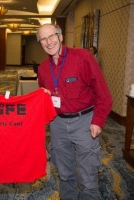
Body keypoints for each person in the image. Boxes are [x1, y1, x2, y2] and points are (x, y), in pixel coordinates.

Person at [36, 24, 112, 200]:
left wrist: (97, 121)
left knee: (88, 176)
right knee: (65, 174)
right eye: (43, 39)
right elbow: (44, 95)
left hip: (84, 122)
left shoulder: (83, 57)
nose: (49, 42)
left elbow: (104, 94)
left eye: (52, 36)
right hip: (58, 124)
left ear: (61, 36)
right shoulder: (43, 68)